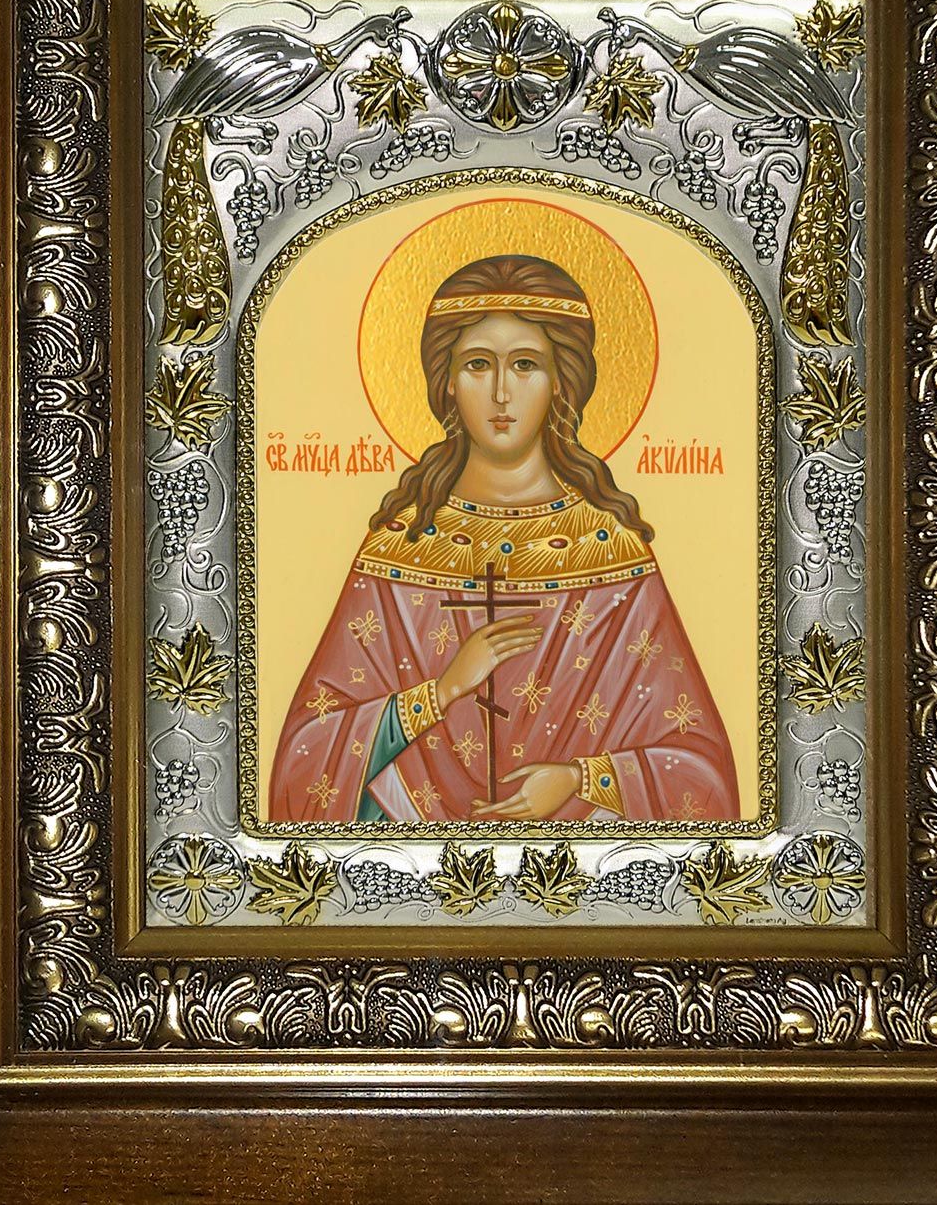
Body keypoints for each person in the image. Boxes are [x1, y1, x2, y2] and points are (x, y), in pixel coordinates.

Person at [268, 253, 739, 823]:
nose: (500, 393)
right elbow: (307, 757)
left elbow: (700, 774)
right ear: (445, 381)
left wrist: (580, 780)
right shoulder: (401, 545)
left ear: (561, 381)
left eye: (524, 365)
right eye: (477, 364)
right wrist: (441, 693)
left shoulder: (610, 548)